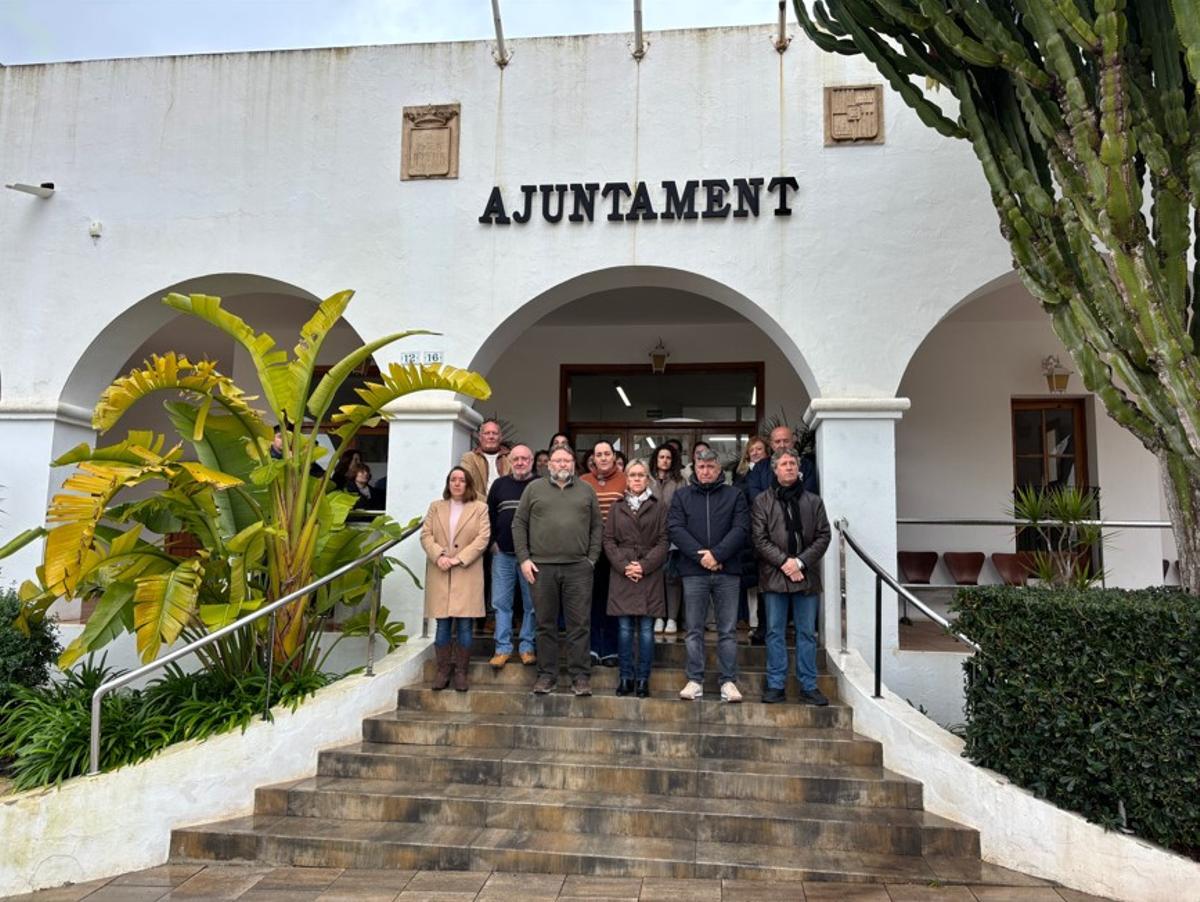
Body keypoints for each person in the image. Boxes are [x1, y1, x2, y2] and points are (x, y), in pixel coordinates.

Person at [512, 446, 603, 697]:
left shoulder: (586, 490)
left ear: (574, 463)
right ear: (548, 464)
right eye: (557, 461)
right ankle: (546, 675)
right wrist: (524, 559)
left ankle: (581, 676)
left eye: (566, 460)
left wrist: (591, 559)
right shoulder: (534, 489)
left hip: (578, 568)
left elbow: (597, 527)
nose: (562, 464)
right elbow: (518, 524)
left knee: (579, 624)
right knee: (545, 624)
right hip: (542, 568)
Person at [667, 447, 750, 703]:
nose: (706, 471)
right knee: (693, 629)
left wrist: (717, 555)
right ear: (694, 468)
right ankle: (695, 679)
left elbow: (741, 528)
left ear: (718, 470)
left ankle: (728, 681)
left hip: (727, 571)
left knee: (727, 630)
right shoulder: (682, 496)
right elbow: (675, 528)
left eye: (711, 467)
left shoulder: (734, 495)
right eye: (701, 467)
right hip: (694, 572)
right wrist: (702, 556)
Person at [752, 447, 832, 705]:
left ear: (799, 468)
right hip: (775, 577)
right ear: (774, 470)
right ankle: (776, 684)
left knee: (807, 633)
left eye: (792, 463)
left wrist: (799, 562)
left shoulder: (813, 501)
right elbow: (759, 538)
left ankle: (808, 685)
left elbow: (823, 535)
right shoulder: (763, 501)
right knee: (775, 632)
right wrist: (785, 562)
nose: (788, 467)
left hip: (805, 577)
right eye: (783, 463)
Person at [420, 467, 491, 692]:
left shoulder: (480, 508)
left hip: (466, 572)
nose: (457, 484)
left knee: (464, 626)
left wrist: (458, 559)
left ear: (468, 484)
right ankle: (443, 670)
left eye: (461, 480)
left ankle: (461, 671)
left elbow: (483, 537)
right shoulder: (436, 507)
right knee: (442, 626)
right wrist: (439, 555)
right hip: (440, 571)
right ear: (448, 483)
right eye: (453, 479)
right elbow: (426, 534)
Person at [603, 460, 669, 698]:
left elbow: (663, 541)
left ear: (647, 478)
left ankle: (642, 679)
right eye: (633, 475)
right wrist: (624, 566)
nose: (637, 479)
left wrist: (643, 565)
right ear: (627, 479)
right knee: (624, 629)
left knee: (646, 631)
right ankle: (625, 677)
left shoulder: (659, 506)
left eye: (641, 475)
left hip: (648, 573)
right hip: (623, 574)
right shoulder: (616, 506)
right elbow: (608, 540)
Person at [486, 444, 538, 668]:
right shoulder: (499, 485)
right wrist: (492, 544)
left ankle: (527, 647)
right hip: (503, 555)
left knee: (532, 604)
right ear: (509, 461)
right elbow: (488, 516)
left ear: (532, 460)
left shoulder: (540, 486)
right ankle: (502, 648)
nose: (519, 463)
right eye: (515, 459)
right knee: (501, 603)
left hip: (532, 556)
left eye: (524, 459)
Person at [581, 441, 627, 667]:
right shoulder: (583, 482)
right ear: (593, 459)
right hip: (590, 551)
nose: (603, 458)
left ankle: (610, 650)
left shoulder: (625, 480)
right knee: (591, 601)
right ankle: (592, 648)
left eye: (607, 454)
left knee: (613, 602)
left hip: (617, 552)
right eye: (598, 454)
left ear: (614, 456)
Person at [733, 437, 770, 630]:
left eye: (759, 449)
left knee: (760, 577)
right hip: (744, 529)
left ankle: (759, 622)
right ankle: (744, 618)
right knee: (744, 576)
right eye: (752, 449)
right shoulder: (740, 474)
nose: (755, 452)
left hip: (763, 528)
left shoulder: (771, 471)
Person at [649, 444, 686, 635]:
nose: (664, 460)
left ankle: (672, 618)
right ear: (656, 459)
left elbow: (685, 508)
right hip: (651, 537)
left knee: (672, 578)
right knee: (655, 578)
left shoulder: (680, 481)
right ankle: (658, 616)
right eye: (661, 457)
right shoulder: (648, 481)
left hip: (673, 535)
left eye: (668, 457)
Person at [460, 418, 510, 496]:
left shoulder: (510, 458)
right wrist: (486, 503)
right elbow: (465, 485)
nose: (491, 437)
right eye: (487, 433)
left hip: (504, 505)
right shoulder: (469, 458)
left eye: (495, 433)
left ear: (500, 437)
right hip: (478, 505)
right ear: (480, 437)